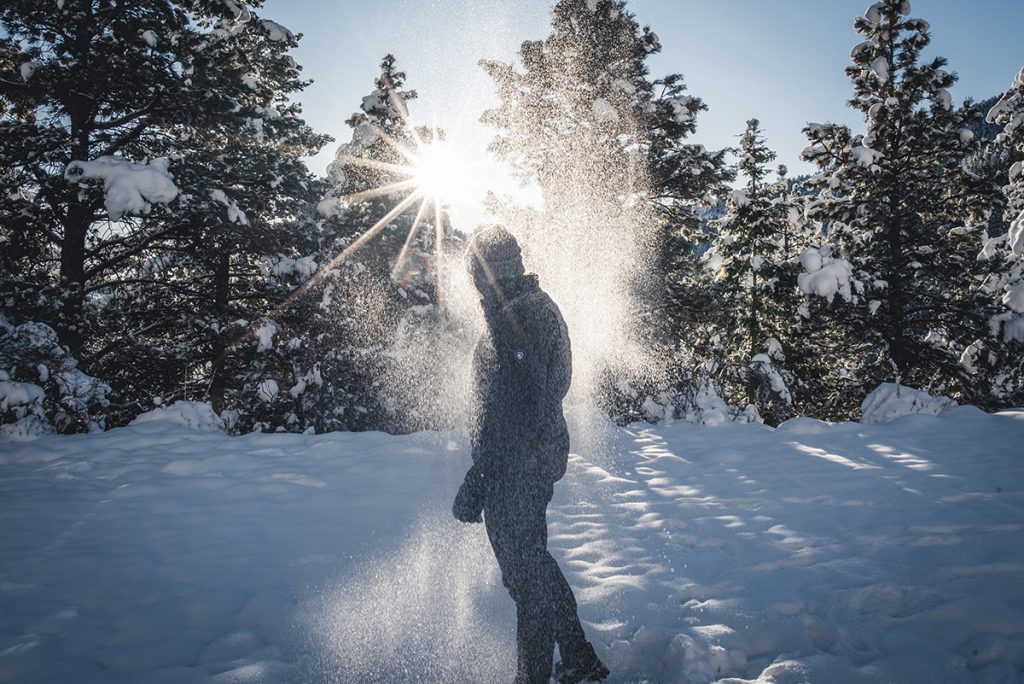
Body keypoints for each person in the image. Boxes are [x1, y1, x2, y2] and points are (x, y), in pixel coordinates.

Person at [452, 225, 609, 684]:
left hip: (520, 464)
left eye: (474, 272)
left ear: (488, 272)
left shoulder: (524, 317)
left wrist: (484, 474)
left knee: (527, 578)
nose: (472, 282)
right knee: (531, 569)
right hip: (517, 461)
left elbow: (526, 405)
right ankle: (579, 659)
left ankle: (534, 677)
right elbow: (512, 400)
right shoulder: (517, 310)